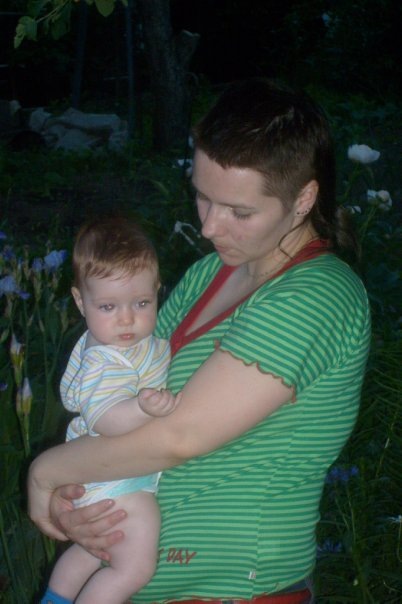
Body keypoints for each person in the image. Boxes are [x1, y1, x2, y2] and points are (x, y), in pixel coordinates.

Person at [29, 78, 371, 604]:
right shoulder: (208, 274)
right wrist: (83, 499)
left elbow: (178, 437)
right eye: (202, 197)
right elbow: (128, 383)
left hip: (233, 590)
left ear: (303, 198)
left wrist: (45, 474)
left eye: (239, 212)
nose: (210, 227)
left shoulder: (316, 296)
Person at [40, 217, 181, 604]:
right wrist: (142, 407)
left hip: (103, 475)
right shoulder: (106, 359)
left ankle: (55, 598)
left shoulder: (126, 345)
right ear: (79, 302)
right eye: (107, 306)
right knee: (133, 568)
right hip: (115, 479)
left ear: (157, 290)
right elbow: (106, 419)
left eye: (142, 303)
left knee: (91, 551)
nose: (126, 318)